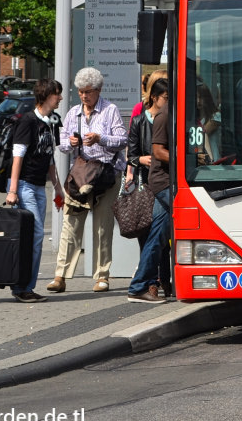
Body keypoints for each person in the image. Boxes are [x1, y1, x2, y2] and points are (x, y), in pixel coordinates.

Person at [48, 67, 126, 294]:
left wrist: (100, 138)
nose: (84, 96)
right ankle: (60, 275)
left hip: (105, 175)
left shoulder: (110, 110)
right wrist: (70, 143)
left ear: (99, 90)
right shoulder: (73, 113)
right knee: (70, 226)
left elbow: (122, 140)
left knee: (103, 227)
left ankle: (102, 276)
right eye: (81, 92)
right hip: (80, 174)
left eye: (88, 92)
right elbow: (61, 143)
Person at [3, 79, 65, 303]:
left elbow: (49, 157)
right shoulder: (28, 121)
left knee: (35, 236)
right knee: (36, 234)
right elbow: (17, 156)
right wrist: (12, 190)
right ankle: (21, 287)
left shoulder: (50, 122)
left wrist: (58, 188)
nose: (60, 98)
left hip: (39, 186)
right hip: (24, 185)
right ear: (46, 95)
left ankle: (26, 287)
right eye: (57, 94)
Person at [125, 76, 172, 297]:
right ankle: (148, 284)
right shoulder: (140, 121)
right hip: (147, 183)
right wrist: (142, 160)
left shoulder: (168, 116)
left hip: (161, 179)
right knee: (152, 236)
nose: (169, 100)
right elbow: (131, 156)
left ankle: (157, 282)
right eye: (165, 96)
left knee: (159, 236)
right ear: (154, 97)